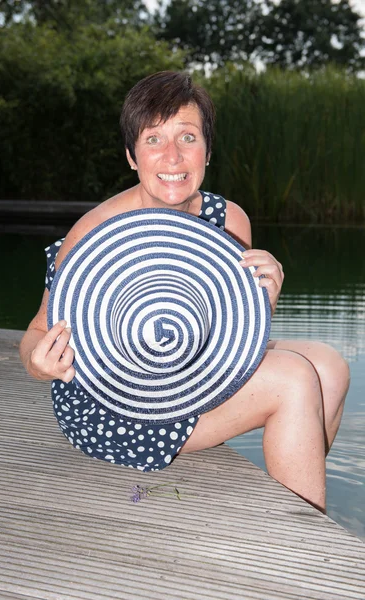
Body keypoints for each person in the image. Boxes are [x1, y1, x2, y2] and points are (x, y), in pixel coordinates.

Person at [19, 71, 350, 512]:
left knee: (329, 366)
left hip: (191, 372)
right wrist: (38, 364)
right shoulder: (95, 232)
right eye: (153, 139)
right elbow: (36, 332)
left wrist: (264, 299)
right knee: (294, 379)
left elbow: (231, 329)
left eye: (187, 137)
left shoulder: (229, 221)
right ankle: (305, 533)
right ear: (132, 156)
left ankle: (296, 502)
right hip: (113, 407)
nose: (172, 156)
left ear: (207, 151)